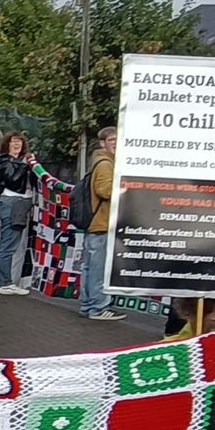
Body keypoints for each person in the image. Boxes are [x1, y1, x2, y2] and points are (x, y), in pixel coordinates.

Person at [79, 127, 125, 322]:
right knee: (99, 269)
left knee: (90, 267)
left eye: (117, 139)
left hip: (95, 223)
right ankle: (98, 308)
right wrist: (125, 188)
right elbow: (104, 190)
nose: (115, 142)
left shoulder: (100, 161)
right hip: (102, 222)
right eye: (111, 139)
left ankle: (87, 304)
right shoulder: (105, 164)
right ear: (102, 143)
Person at [0, 132, 34, 296]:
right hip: (12, 203)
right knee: (8, 245)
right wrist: (27, 165)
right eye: (13, 142)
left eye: (19, 142)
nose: (17, 145)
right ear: (6, 144)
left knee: (6, 244)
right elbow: (13, 180)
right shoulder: (4, 161)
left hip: (17, 204)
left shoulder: (17, 161)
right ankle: (5, 283)